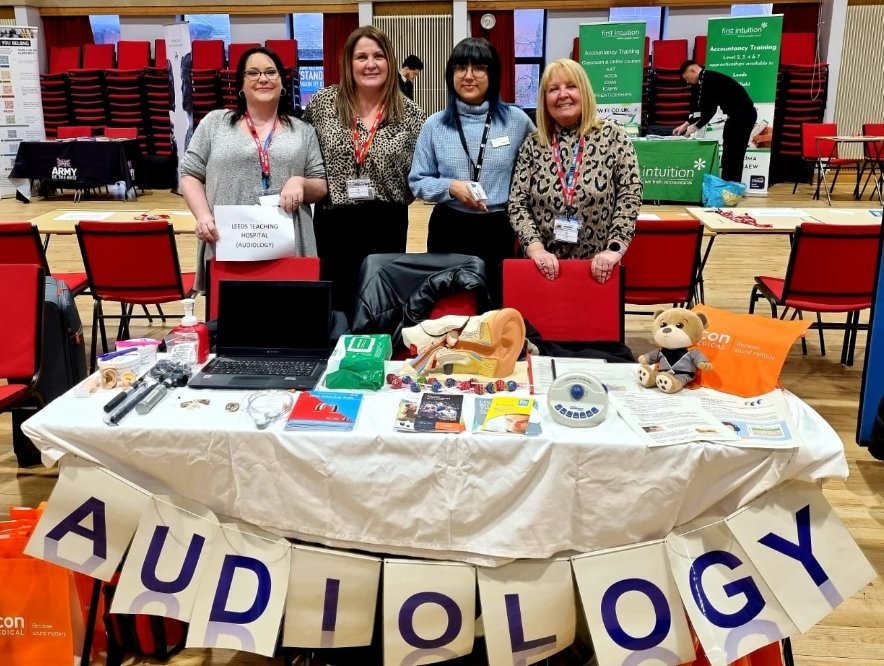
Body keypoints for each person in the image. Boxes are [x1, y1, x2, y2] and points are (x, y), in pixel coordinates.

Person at [180, 46, 327, 292]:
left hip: (289, 245)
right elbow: (190, 174)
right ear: (241, 84)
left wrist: (300, 182)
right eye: (253, 73)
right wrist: (203, 216)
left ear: (282, 84)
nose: (263, 78)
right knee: (231, 324)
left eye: (271, 72)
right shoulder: (214, 124)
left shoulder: (303, 131)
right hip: (228, 242)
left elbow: (320, 186)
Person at [303, 26, 425, 312]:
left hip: (387, 222)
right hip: (333, 222)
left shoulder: (412, 115)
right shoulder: (323, 103)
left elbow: (424, 170)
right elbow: (300, 145)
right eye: (361, 57)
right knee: (335, 308)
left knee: (379, 307)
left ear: (390, 62)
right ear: (348, 62)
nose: (370, 64)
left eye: (378, 56)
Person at [409, 37, 534, 306]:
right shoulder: (435, 125)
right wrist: (450, 186)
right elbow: (417, 181)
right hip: (450, 226)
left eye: (479, 68)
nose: (468, 76)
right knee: (452, 305)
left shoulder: (517, 121)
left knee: (497, 306)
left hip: (499, 227)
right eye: (459, 68)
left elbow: (537, 170)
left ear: (493, 73)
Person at [508, 58, 642, 285]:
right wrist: (536, 249)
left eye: (571, 86)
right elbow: (517, 203)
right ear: (544, 99)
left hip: (598, 268)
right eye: (553, 89)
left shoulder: (613, 136)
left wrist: (614, 249)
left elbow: (630, 195)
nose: (562, 95)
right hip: (541, 268)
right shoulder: (533, 144)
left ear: (585, 91)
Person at [673, 59, 757, 184]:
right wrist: (686, 124)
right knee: (729, 153)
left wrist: (695, 127)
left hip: (742, 116)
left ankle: (732, 187)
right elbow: (701, 110)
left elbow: (709, 110)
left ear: (692, 70)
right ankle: (728, 184)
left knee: (734, 154)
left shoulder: (709, 79)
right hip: (736, 117)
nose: (687, 81)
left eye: (687, 77)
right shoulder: (705, 80)